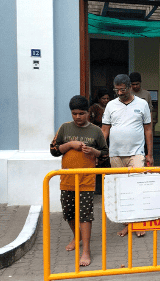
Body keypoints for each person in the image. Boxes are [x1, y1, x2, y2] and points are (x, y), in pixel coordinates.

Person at [50, 95, 108, 267]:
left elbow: (105, 155)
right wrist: (69, 145)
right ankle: (77, 237)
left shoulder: (96, 131)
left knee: (85, 214)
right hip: (67, 179)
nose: (77, 117)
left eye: (81, 113)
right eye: (74, 113)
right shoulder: (64, 128)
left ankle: (86, 251)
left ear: (89, 112)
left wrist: (94, 152)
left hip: (86, 180)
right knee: (68, 212)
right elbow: (53, 150)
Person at [101, 74, 153, 237]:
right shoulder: (110, 105)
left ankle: (135, 224)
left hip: (136, 153)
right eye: (116, 90)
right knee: (121, 189)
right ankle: (129, 222)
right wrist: (101, 151)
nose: (119, 93)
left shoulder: (142, 104)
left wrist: (150, 154)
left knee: (137, 188)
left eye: (122, 89)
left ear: (130, 87)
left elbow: (148, 130)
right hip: (115, 154)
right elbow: (104, 130)